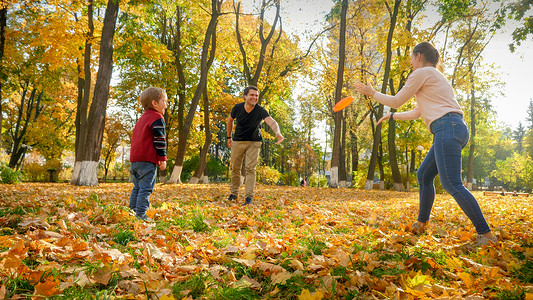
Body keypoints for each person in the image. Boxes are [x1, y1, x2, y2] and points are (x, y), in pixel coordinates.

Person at [354, 42, 497, 246]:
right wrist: (391, 117)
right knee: (424, 174)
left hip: (446, 127)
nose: (411, 63)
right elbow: (417, 112)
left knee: (452, 183)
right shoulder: (435, 78)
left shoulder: (422, 73)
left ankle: (487, 235)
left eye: (412, 58)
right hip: (454, 127)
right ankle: (421, 223)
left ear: (418, 56)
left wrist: (372, 93)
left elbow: (396, 100)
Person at [227, 86, 284, 205]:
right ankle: (233, 194)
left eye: (256, 95)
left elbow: (272, 122)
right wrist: (229, 137)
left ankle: (249, 197)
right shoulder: (237, 108)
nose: (254, 97)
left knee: (250, 169)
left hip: (254, 142)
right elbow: (230, 120)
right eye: (252, 95)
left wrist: (277, 133)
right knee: (235, 168)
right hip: (237, 141)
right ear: (245, 96)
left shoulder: (260, 110)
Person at [129, 87, 168, 221]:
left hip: (135, 160)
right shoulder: (157, 118)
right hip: (147, 160)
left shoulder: (141, 119)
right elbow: (160, 140)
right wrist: (162, 158)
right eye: (165, 101)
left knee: (137, 187)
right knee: (145, 188)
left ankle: (132, 212)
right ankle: (141, 214)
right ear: (154, 103)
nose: (167, 104)